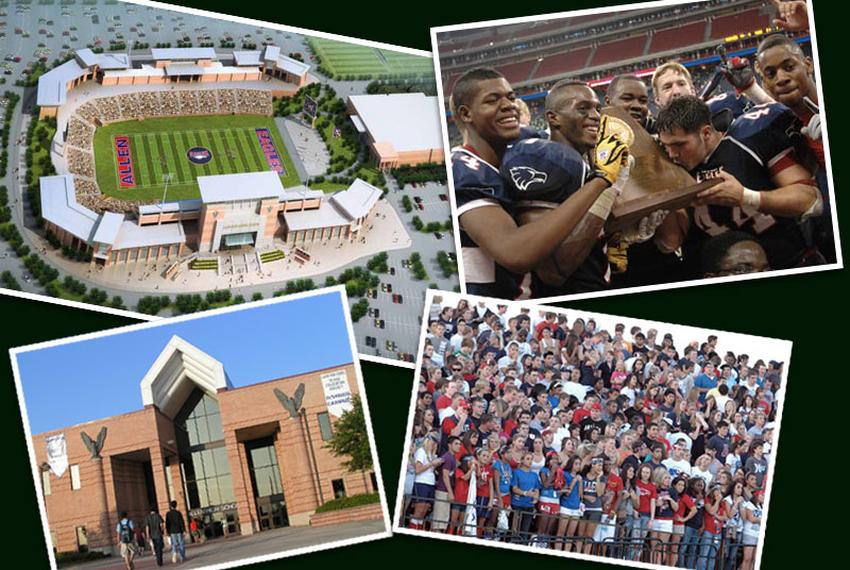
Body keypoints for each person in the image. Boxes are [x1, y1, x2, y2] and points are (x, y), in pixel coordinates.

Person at [449, 67, 631, 298]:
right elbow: (515, 252)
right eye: (492, 100)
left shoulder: (521, 145)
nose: (508, 105)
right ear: (466, 114)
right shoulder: (464, 171)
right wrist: (602, 180)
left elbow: (553, 136)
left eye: (511, 97)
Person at [655, 95, 822, 276]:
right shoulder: (671, 169)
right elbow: (671, 242)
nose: (672, 154)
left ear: (706, 133)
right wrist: (662, 203)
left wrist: (746, 196)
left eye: (679, 144)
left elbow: (810, 199)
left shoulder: (748, 142)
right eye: (666, 146)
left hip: (783, 263)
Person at [410, 432, 443, 530]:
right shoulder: (421, 452)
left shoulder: (431, 454)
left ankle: (419, 529)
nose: (435, 444)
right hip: (421, 482)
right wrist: (432, 464)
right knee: (419, 510)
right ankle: (413, 529)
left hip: (430, 483)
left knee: (425, 510)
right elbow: (418, 469)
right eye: (434, 441)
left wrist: (435, 464)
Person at [740, 489, 765, 570]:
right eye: (761, 495)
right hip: (749, 533)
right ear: (756, 496)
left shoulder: (761, 506)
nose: (763, 497)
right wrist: (761, 520)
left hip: (758, 534)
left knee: (755, 559)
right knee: (747, 558)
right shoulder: (749, 505)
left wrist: (758, 519)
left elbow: (755, 519)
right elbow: (751, 518)